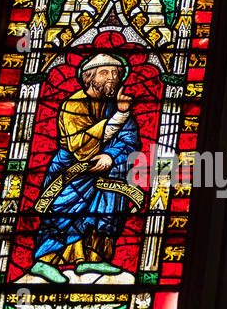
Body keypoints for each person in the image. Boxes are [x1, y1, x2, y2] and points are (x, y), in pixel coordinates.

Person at [29, 53, 144, 282]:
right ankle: (45, 261)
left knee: (104, 213)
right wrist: (120, 116)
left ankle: (92, 259)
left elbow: (131, 138)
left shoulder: (118, 103)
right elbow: (78, 145)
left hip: (109, 170)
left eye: (115, 73)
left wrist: (110, 156)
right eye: (105, 73)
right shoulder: (74, 104)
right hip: (72, 169)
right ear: (90, 77)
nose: (112, 78)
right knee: (66, 212)